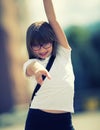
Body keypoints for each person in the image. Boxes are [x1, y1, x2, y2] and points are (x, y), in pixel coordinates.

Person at [23, 0, 75, 130]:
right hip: (38, 120)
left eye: (45, 43)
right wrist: (38, 70)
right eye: (35, 45)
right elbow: (32, 68)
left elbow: (52, 19)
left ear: (53, 40)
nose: (41, 49)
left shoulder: (63, 52)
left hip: (64, 120)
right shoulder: (32, 63)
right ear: (30, 47)